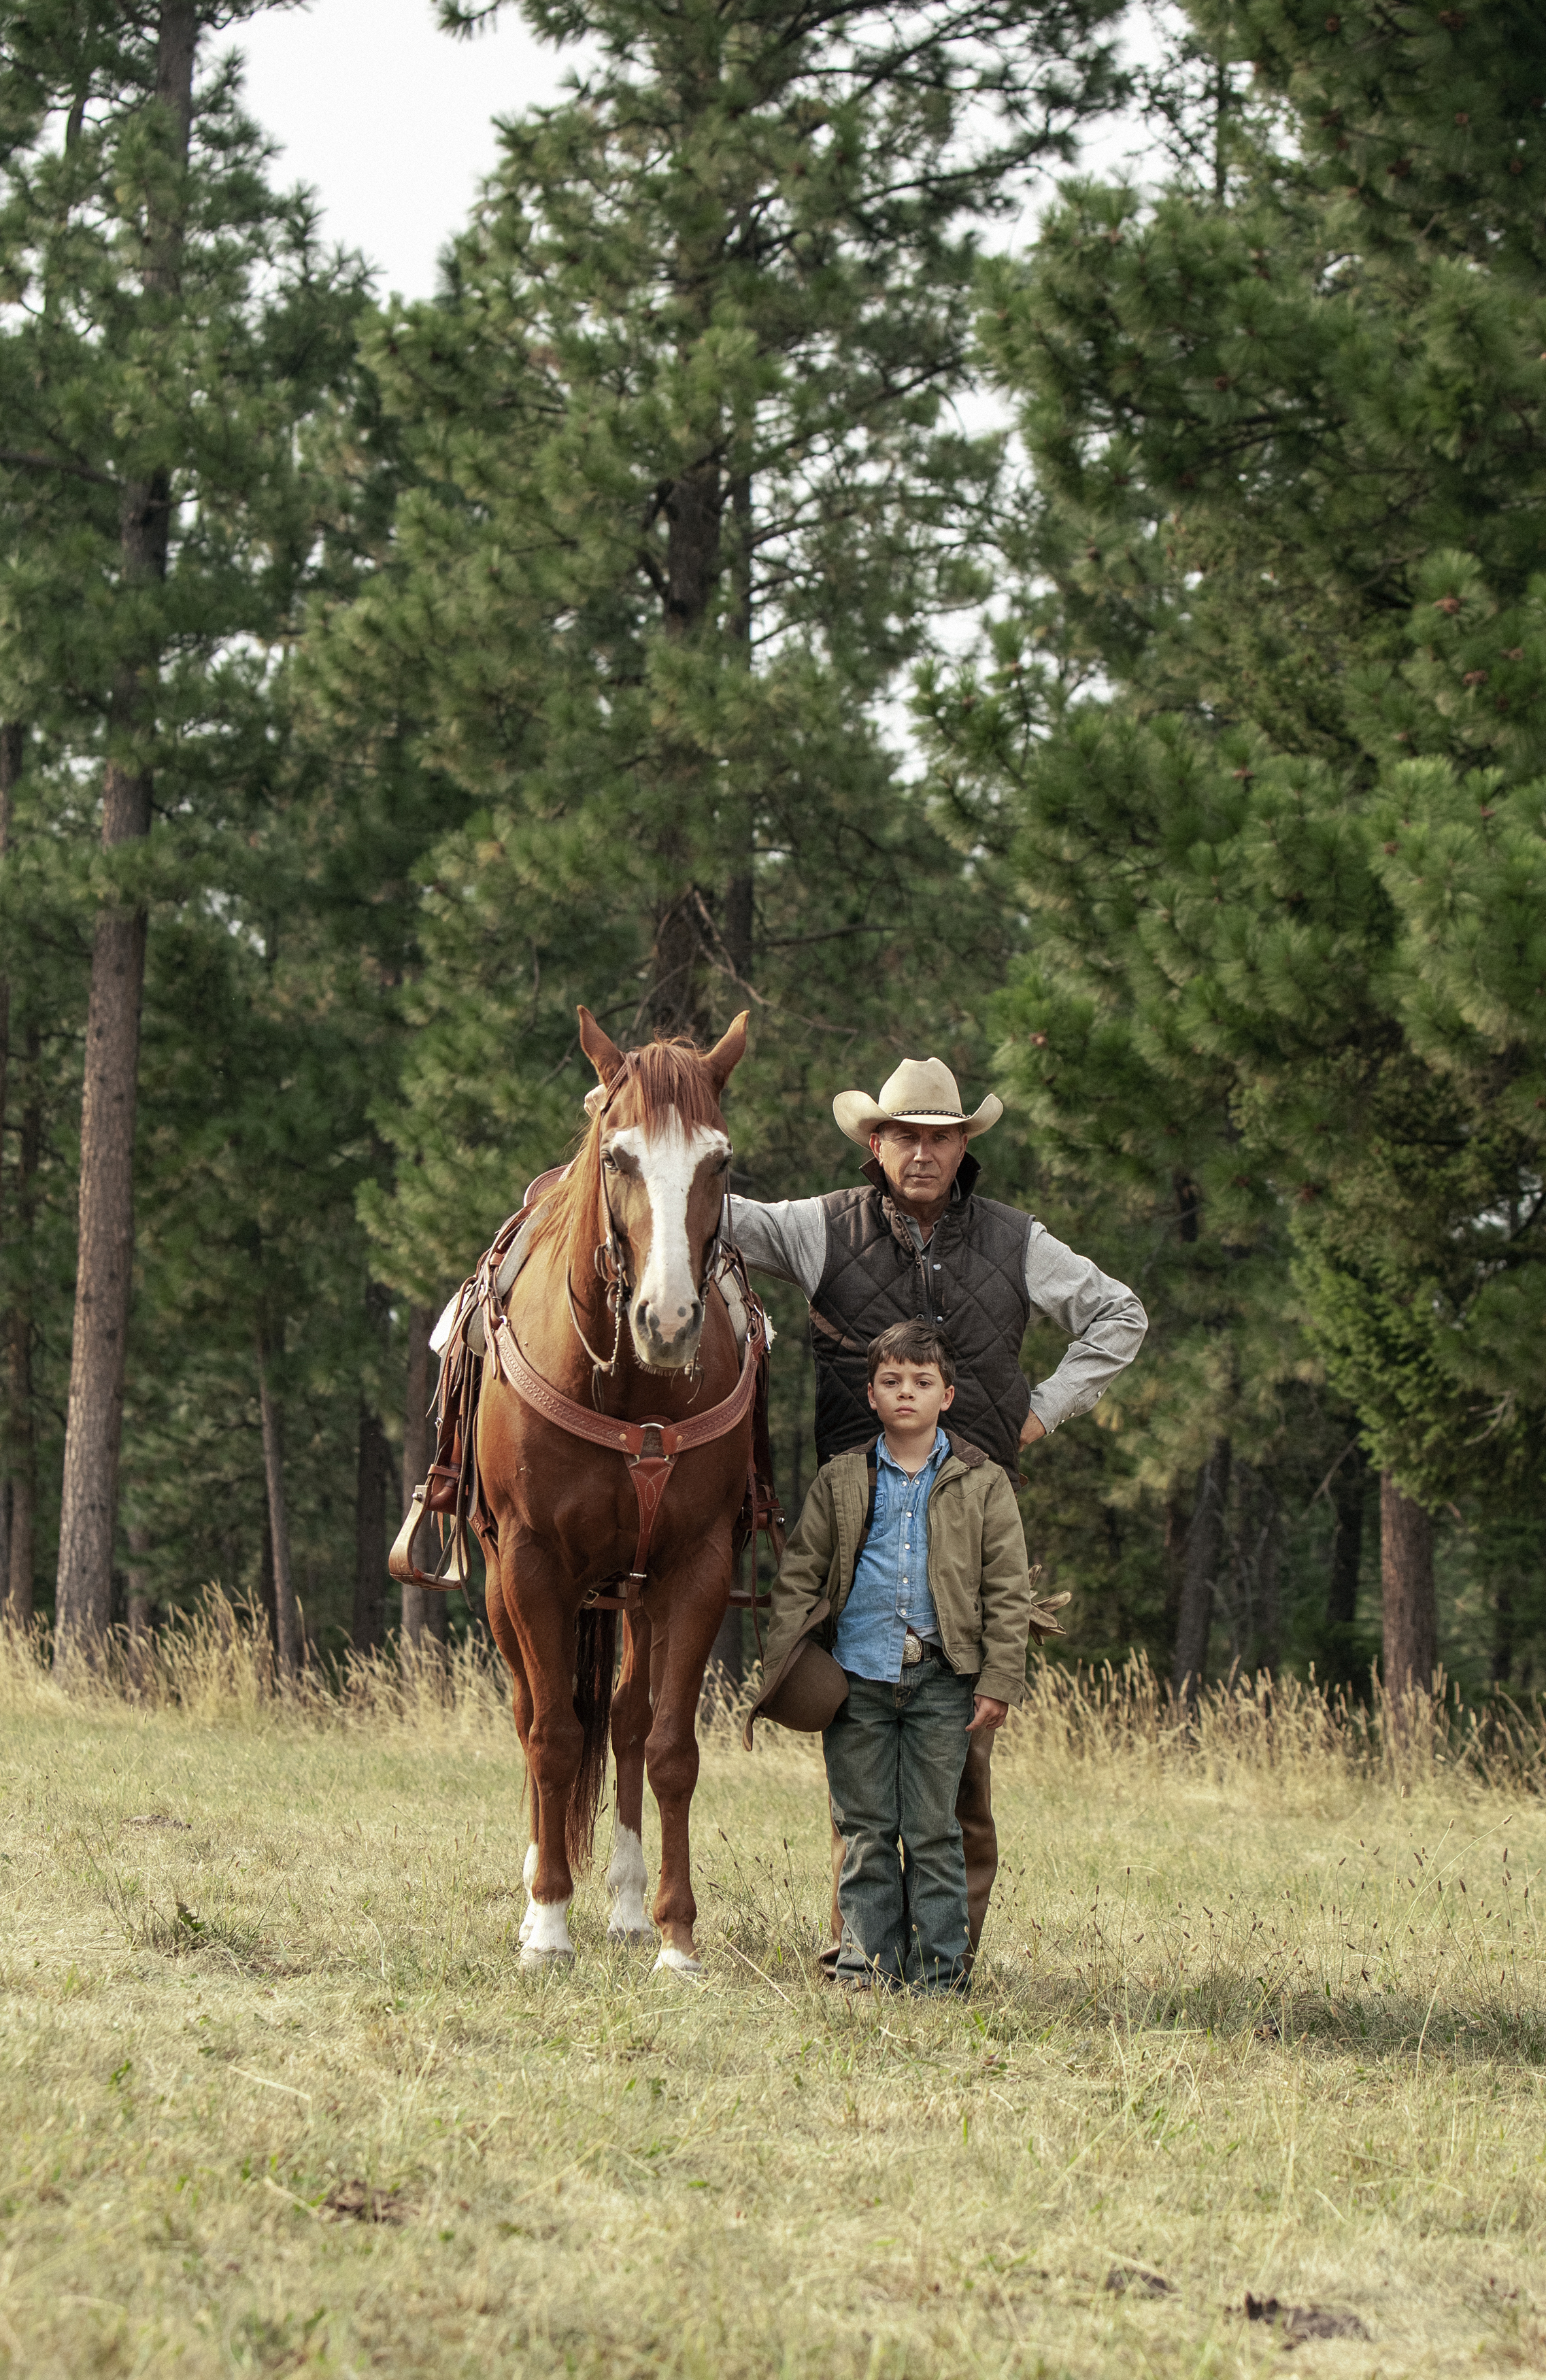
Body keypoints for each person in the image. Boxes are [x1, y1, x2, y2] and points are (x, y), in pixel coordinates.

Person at [730, 1053, 1147, 1956]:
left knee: (961, 1761)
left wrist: (1037, 1412)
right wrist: (632, 1145)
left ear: (963, 1146)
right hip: (856, 1526)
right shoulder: (817, 1229)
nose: (922, 1153)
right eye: (905, 1137)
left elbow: (1120, 1315)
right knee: (859, 1750)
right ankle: (862, 1949)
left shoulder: (1014, 1240)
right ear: (874, 1142)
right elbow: (715, 1214)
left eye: (941, 1138)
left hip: (968, 1519)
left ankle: (947, 1958)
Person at [756, 1321, 1036, 1990]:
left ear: (946, 1394)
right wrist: (789, 1666)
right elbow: (797, 1579)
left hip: (944, 1683)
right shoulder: (841, 1479)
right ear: (872, 1394)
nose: (904, 1392)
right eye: (890, 1381)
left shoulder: (981, 1480)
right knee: (865, 1829)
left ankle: (940, 1975)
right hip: (857, 1683)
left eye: (920, 1381)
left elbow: (1006, 1585)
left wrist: (997, 1679)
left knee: (935, 1830)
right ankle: (865, 1967)